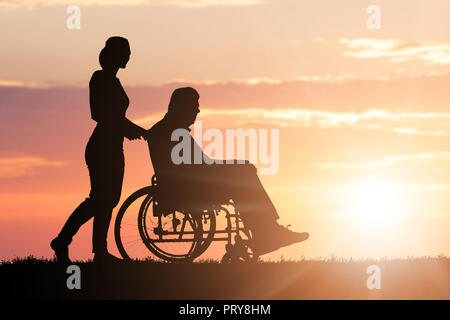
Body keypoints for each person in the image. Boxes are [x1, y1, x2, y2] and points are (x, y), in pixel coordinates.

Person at [147, 87, 309, 256]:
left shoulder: (166, 130)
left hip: (188, 186)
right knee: (244, 178)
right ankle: (267, 233)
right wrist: (238, 165)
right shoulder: (174, 133)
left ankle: (266, 232)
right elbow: (202, 166)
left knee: (243, 176)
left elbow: (201, 165)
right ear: (183, 106)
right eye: (194, 105)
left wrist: (237, 165)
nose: (198, 110)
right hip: (191, 190)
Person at [50, 37, 147, 263]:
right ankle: (67, 241)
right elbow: (101, 114)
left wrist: (133, 129)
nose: (129, 56)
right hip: (102, 146)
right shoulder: (101, 78)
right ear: (115, 54)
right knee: (100, 199)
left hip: (114, 146)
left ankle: (96, 251)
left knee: (107, 200)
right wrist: (131, 129)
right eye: (127, 52)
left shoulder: (113, 80)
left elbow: (116, 117)